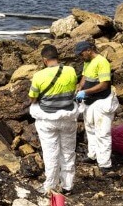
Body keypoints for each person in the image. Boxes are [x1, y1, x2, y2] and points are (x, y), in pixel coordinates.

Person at [29, 44, 79, 195]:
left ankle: (50, 186)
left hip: (48, 120)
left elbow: (33, 98)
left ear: (44, 60)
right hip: (68, 117)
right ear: (58, 57)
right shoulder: (71, 71)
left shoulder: (38, 76)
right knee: (68, 152)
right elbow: (73, 90)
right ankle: (67, 186)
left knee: (50, 153)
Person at [74, 40, 119, 172]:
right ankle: (93, 155)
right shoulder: (87, 62)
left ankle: (105, 164)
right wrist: (79, 88)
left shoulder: (102, 62)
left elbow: (104, 84)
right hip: (89, 101)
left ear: (89, 50)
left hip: (102, 100)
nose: (80, 57)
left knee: (102, 132)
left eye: (81, 54)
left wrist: (86, 92)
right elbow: (84, 77)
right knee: (90, 129)